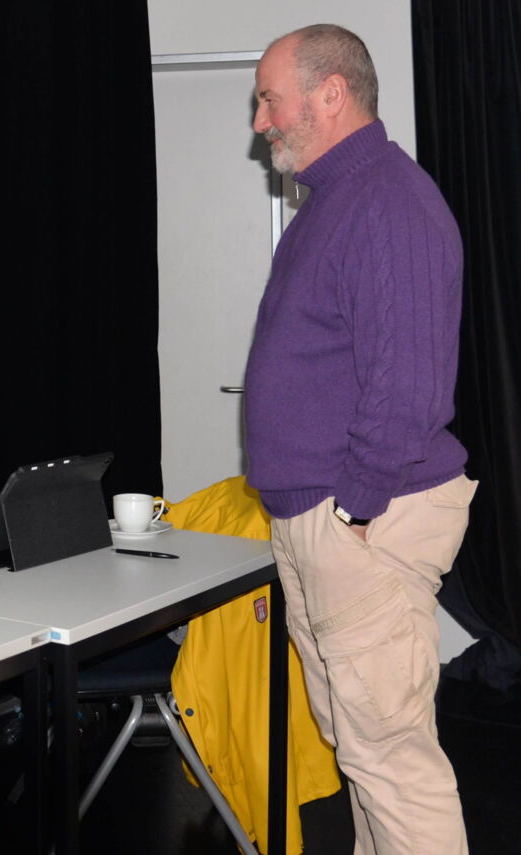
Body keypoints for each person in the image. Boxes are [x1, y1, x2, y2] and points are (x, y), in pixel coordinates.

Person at [244, 25, 476, 855]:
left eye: (269, 99)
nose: (260, 122)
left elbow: (409, 387)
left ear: (331, 93)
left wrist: (355, 511)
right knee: (363, 750)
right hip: (329, 520)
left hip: (362, 520)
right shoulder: (337, 201)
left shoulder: (386, 201)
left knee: (391, 759)